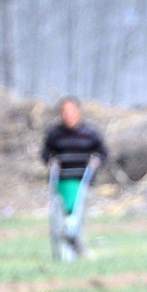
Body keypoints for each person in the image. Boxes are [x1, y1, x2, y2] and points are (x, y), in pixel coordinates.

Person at [41, 96, 108, 257]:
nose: (67, 115)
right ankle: (62, 253)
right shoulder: (55, 134)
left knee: (76, 221)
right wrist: (50, 161)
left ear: (78, 112)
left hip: (82, 182)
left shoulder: (90, 133)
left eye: (70, 112)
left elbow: (103, 152)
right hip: (61, 182)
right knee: (59, 222)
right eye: (63, 112)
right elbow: (46, 152)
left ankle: (79, 252)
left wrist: (97, 161)